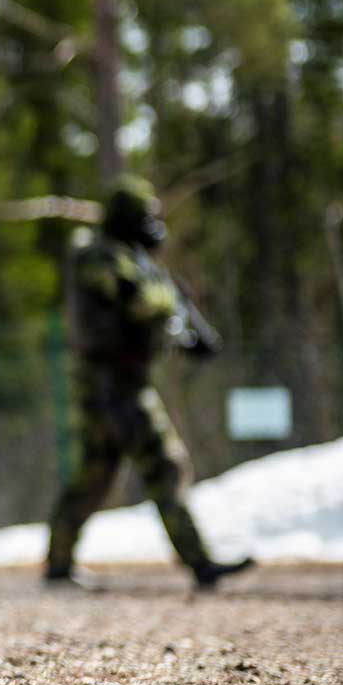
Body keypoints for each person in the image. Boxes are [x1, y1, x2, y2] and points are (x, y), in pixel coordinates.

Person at [46, 176, 256, 591]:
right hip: (112, 384)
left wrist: (183, 328)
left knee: (95, 476)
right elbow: (136, 298)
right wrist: (170, 310)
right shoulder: (97, 254)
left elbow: (150, 302)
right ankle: (200, 564)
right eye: (145, 217)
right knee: (164, 465)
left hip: (120, 383)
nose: (153, 227)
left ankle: (57, 564)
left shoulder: (131, 259)